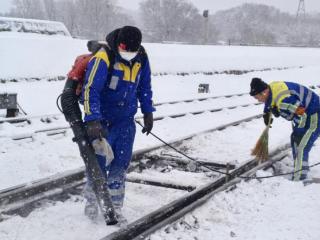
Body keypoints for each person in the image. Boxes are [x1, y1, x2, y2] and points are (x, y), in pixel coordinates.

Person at [82, 26, 155, 222]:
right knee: (97, 166)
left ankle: (115, 207)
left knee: (119, 166)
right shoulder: (104, 56)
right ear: (118, 43)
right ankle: (91, 206)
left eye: (132, 49)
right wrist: (92, 119)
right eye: (124, 47)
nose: (128, 52)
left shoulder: (141, 57)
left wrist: (148, 111)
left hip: (125, 121)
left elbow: (145, 85)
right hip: (101, 122)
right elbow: (90, 89)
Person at [249, 77, 320, 181]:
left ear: (264, 92)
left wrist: (299, 131)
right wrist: (266, 112)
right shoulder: (271, 88)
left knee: (301, 145)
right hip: (304, 112)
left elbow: (302, 114)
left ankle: (299, 178)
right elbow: (270, 100)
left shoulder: (284, 100)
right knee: (295, 142)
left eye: (257, 97)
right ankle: (301, 170)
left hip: (314, 115)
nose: (258, 100)